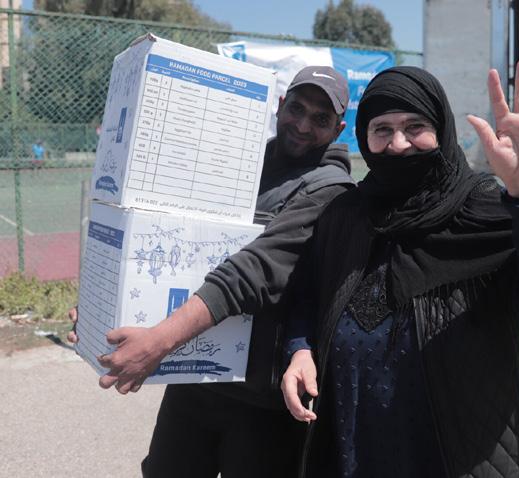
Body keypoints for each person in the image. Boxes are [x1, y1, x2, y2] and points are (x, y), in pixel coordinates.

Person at [281, 62, 519, 477]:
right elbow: (308, 294)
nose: (398, 144)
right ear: (363, 137)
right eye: (382, 129)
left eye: (415, 126)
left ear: (441, 128)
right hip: (356, 451)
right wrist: (300, 349)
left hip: (463, 459)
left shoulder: (490, 211)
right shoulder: (346, 215)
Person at [69, 65, 355, 477]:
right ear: (280, 105)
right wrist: (103, 309)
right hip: (194, 378)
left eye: (320, 118)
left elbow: (253, 272)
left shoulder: (329, 189)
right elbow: (168, 237)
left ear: (338, 129)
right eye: (297, 108)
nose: (303, 125)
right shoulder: (239, 168)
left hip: (262, 400)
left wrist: (158, 342)